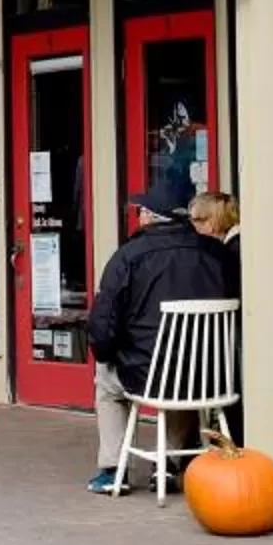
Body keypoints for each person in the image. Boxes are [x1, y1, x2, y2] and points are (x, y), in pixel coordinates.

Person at [82, 164, 236, 494]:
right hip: (210, 374)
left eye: (141, 211)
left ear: (150, 217)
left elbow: (104, 324)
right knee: (184, 369)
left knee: (107, 382)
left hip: (146, 372)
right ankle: (168, 463)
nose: (139, 217)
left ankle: (113, 469)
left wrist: (106, 353)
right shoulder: (219, 254)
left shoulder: (127, 256)